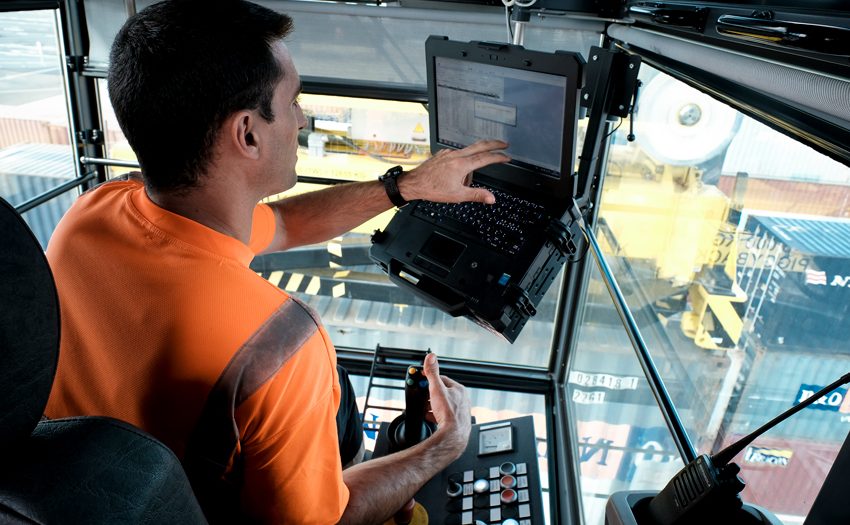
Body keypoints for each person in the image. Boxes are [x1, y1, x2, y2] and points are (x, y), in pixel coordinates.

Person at [44, 0, 511, 523]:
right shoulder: (276, 348)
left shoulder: (93, 213)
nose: (302, 117)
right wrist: (445, 444)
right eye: (293, 101)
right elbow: (330, 518)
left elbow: (286, 225)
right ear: (247, 133)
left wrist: (405, 187)